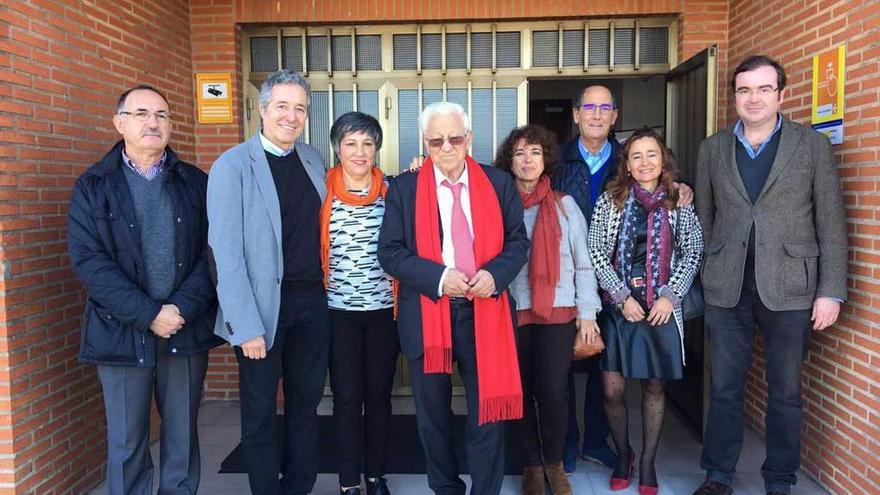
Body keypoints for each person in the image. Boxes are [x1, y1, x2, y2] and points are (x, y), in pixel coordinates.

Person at [692, 55, 847, 495]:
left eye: (763, 89)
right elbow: (704, 217)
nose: (753, 98)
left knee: (785, 392)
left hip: (792, 288)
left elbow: (832, 222)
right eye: (744, 90)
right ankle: (717, 475)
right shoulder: (712, 148)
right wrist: (706, 269)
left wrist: (830, 291)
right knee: (723, 388)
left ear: (782, 94)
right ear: (734, 97)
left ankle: (779, 479)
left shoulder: (811, 146)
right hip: (727, 286)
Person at [67, 84, 221, 494]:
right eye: (141, 114)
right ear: (119, 123)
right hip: (119, 330)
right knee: (127, 442)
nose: (153, 122)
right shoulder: (93, 186)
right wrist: (149, 314)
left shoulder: (195, 183)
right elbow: (90, 262)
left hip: (184, 329)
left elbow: (214, 253)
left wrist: (179, 310)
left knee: (182, 437)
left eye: (162, 115)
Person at [378, 101, 529, 495]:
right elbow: (390, 252)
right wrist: (440, 277)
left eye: (455, 138)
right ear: (425, 144)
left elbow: (518, 242)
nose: (446, 147)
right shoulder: (405, 188)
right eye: (436, 140)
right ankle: (445, 489)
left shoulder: (498, 184)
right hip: (429, 313)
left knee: (487, 417)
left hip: (487, 312)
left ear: (469, 140)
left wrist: (494, 275)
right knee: (433, 418)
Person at [557, 85, 695, 474]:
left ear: (615, 115)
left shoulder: (629, 158)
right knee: (567, 364)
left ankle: (599, 443)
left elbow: (689, 245)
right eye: (589, 107)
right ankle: (567, 442)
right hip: (571, 280)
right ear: (576, 114)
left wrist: (680, 188)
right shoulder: (558, 159)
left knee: (607, 372)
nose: (597, 114)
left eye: (605, 108)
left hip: (623, 291)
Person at [207, 69, 330, 495]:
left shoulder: (314, 160)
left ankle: (299, 486)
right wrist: (246, 324)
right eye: (282, 106)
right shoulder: (232, 166)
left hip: (313, 305)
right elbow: (225, 253)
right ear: (262, 109)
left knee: (305, 406)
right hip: (261, 309)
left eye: (299, 108)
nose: (291, 116)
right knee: (260, 412)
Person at [588, 127, 703, 495]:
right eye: (636, 156)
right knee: (611, 389)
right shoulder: (612, 199)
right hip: (620, 307)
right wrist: (621, 296)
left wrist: (671, 295)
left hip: (662, 309)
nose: (644, 162)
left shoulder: (678, 200)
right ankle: (624, 455)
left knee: (654, 387)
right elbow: (595, 251)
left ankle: (649, 463)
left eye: (651, 154)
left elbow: (693, 250)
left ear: (663, 158)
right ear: (627, 163)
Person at [495, 125, 602, 495]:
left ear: (547, 160)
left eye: (535, 153)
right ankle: (531, 466)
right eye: (520, 153)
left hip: (558, 312)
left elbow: (584, 263)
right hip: (512, 312)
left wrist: (587, 314)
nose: (527, 160)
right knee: (519, 391)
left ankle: (555, 464)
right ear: (510, 161)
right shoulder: (497, 205)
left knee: (554, 392)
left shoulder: (563, 205)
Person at [320, 112, 398, 495]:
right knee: (347, 399)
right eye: (351, 143)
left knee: (380, 397)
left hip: (384, 312)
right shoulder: (321, 191)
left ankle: (376, 476)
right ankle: (349, 481)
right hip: (338, 314)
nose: (360, 151)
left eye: (367, 143)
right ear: (337, 148)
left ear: (377, 148)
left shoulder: (394, 191)